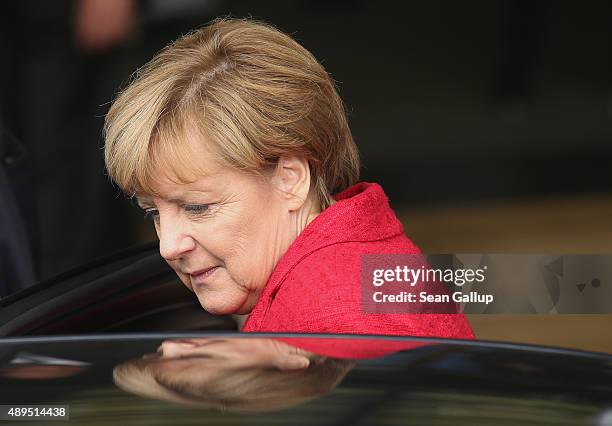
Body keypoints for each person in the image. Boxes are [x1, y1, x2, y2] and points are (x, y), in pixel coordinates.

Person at [104, 18, 474, 339]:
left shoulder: (329, 321)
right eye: (153, 212)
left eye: (197, 207)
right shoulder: (351, 267)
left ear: (291, 179)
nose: (168, 246)